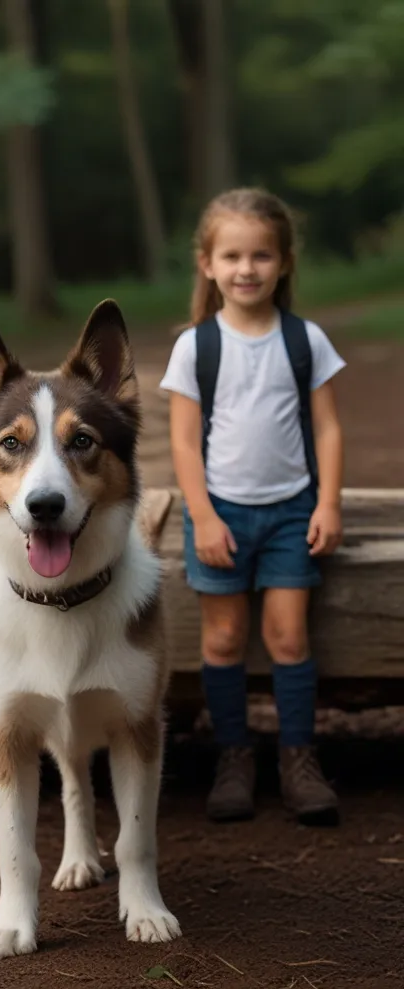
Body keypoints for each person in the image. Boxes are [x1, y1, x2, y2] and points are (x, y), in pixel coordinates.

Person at [160, 187, 345, 826]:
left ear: (285, 262)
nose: (247, 268)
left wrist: (327, 504)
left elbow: (326, 429)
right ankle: (233, 757)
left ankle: (298, 757)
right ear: (207, 264)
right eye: (232, 255)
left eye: (261, 255)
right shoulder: (196, 346)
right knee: (225, 636)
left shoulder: (304, 340)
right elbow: (183, 440)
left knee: (288, 637)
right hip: (222, 516)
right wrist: (203, 515)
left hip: (293, 512)